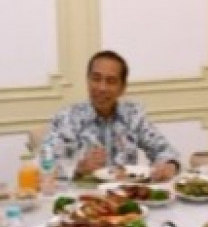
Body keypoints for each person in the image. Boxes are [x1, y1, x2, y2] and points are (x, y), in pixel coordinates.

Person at [42, 50, 181, 182]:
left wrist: (169, 165)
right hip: (83, 198)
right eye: (96, 79)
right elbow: (44, 163)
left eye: (111, 81)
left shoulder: (133, 116)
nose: (102, 88)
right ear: (88, 81)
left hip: (126, 197)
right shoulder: (68, 117)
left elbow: (165, 150)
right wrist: (79, 167)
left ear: (122, 88)